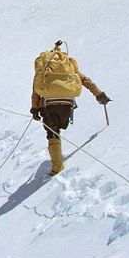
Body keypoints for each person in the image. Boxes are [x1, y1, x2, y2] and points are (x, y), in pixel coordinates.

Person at [30, 40, 111, 176]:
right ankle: (58, 160)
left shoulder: (44, 68)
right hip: (67, 104)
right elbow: (85, 80)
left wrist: (35, 109)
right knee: (58, 129)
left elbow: (36, 91)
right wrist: (99, 95)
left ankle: (57, 166)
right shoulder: (68, 66)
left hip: (49, 104)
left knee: (53, 133)